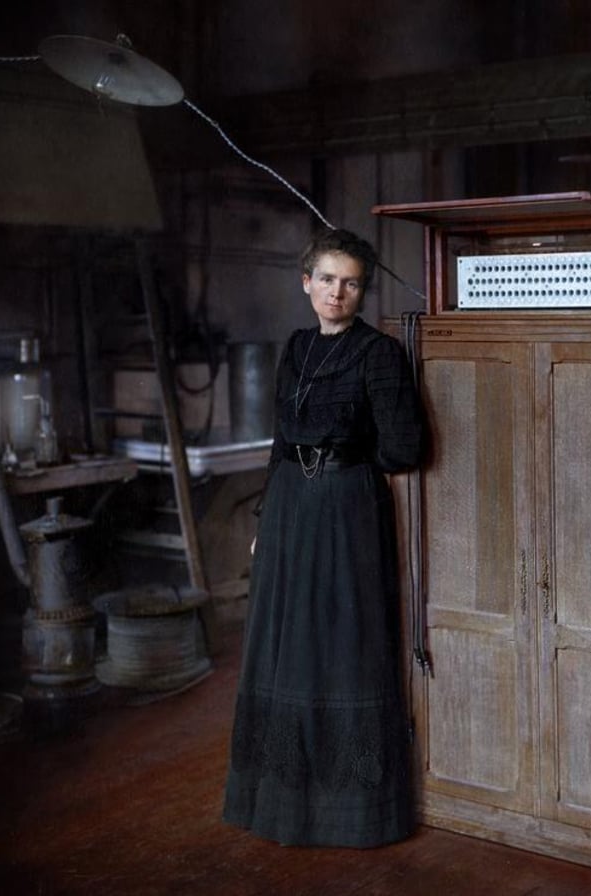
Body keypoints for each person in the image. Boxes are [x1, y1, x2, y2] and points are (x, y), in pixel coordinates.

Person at [223, 228, 426, 848]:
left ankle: (349, 815)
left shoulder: (379, 353)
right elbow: (281, 442)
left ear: (362, 291)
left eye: (352, 282)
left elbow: (406, 448)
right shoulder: (296, 347)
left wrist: (345, 456)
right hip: (289, 506)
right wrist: (265, 523)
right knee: (284, 645)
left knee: (341, 644)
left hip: (345, 509)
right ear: (306, 282)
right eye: (328, 279)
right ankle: (280, 803)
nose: (338, 292)